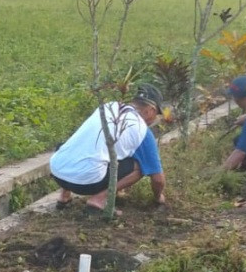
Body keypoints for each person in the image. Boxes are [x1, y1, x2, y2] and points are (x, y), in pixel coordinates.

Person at [50, 84, 166, 212]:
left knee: (74, 145)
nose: (154, 119)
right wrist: (158, 197)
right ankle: (98, 200)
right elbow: (158, 179)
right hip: (86, 184)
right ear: (150, 110)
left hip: (57, 173)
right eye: (156, 114)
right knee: (141, 166)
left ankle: (64, 196)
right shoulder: (142, 130)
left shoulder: (108, 107)